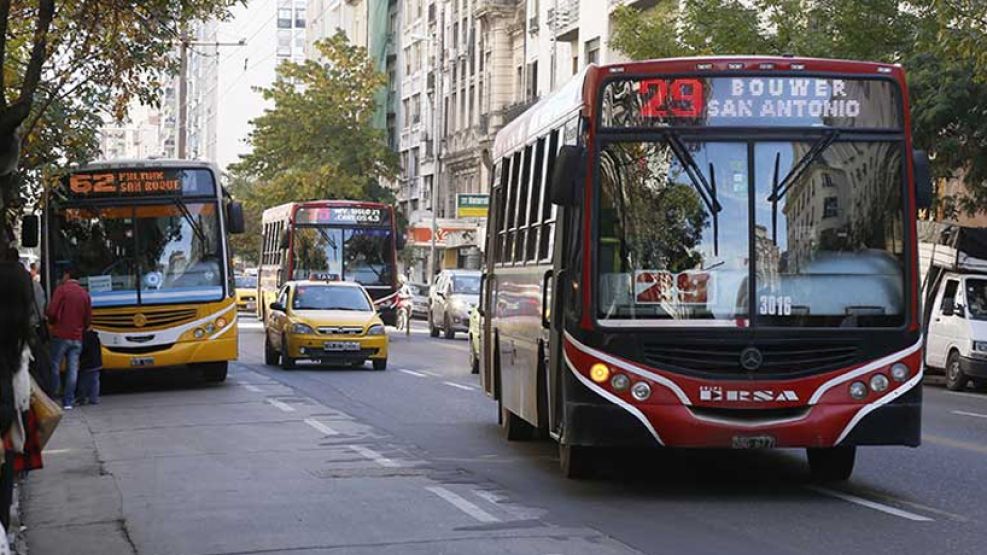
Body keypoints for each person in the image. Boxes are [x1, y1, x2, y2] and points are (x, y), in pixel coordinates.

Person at [47, 266, 92, 409]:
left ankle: (54, 398)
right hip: (77, 336)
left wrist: (51, 321)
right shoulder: (85, 294)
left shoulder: (61, 290)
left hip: (61, 334)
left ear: (67, 275)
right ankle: (68, 401)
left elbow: (52, 311)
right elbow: (88, 319)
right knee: (73, 369)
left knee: (54, 365)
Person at [77, 329, 102, 405]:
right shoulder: (95, 337)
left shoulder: (84, 337)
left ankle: (82, 398)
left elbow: (82, 349)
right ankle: (94, 398)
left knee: (83, 382)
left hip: (86, 364)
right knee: (95, 381)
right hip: (97, 363)